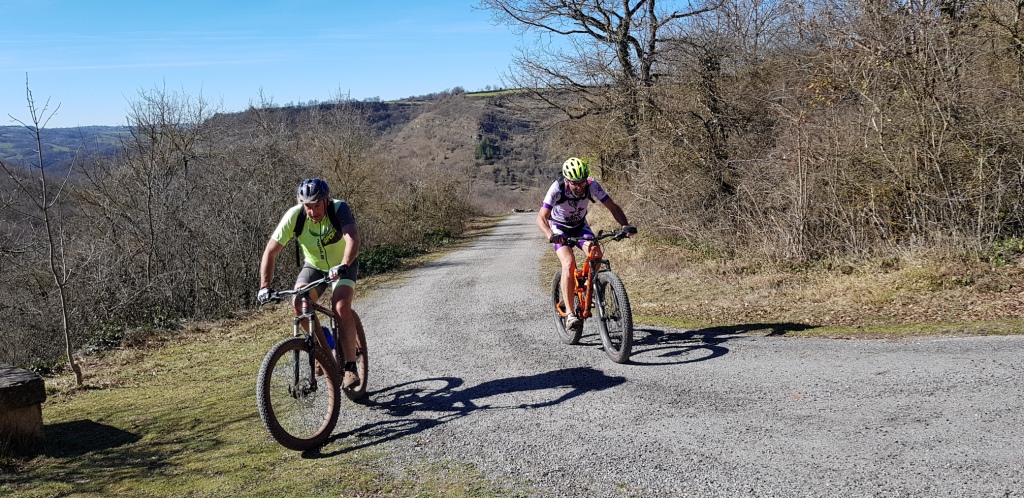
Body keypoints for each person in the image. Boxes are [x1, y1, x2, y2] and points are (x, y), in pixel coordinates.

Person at [257, 178, 362, 388]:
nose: (312, 211)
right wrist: (264, 286)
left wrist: (343, 264)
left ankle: (350, 367)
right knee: (299, 304)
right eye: (308, 206)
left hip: (343, 264)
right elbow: (271, 250)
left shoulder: (339, 208)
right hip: (314, 266)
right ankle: (322, 345)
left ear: (326, 200)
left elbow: (353, 239)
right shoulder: (295, 216)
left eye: (316, 205)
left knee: (340, 306)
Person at [536, 157, 636, 331]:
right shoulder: (557, 188)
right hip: (559, 228)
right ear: (567, 180)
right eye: (575, 183)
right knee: (568, 262)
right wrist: (551, 235)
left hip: (580, 226)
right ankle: (570, 315)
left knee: (596, 253)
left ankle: (588, 284)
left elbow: (613, 207)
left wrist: (624, 225)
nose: (580, 186)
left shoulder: (592, 185)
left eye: (582, 182)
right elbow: (541, 218)